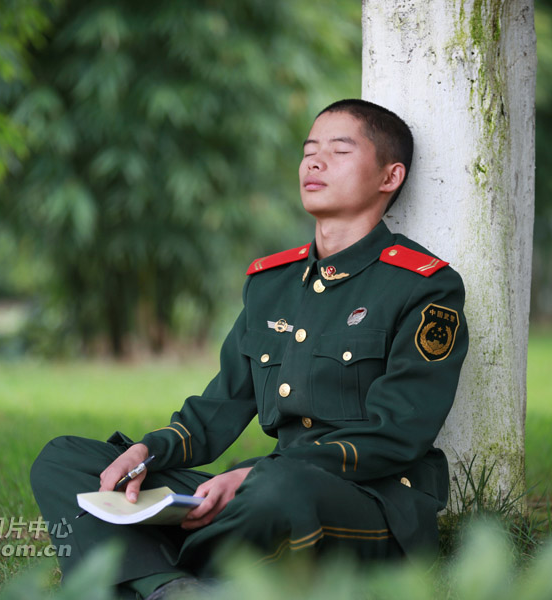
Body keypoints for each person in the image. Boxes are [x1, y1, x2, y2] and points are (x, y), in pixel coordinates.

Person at [30, 98, 468, 599]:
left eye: (339, 151)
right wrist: (150, 451)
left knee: (279, 490)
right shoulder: (272, 284)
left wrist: (253, 474)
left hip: (370, 502)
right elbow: (216, 410)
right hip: (265, 491)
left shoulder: (423, 287)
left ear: (389, 177)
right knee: (64, 460)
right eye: (309, 151)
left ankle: (142, 565)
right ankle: (171, 586)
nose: (315, 162)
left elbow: (397, 436)